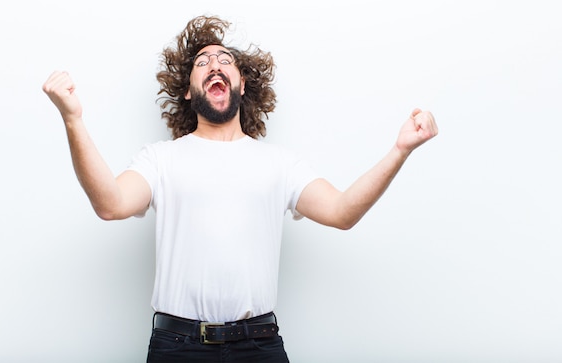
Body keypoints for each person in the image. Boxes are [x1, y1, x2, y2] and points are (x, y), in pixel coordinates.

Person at [42, 14, 438, 363]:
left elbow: (342, 212)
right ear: (187, 89)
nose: (214, 65)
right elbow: (110, 204)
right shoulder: (160, 159)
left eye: (224, 61)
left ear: (242, 84)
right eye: (203, 63)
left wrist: (400, 150)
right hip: (177, 346)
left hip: (259, 345)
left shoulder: (279, 163)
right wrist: (73, 120)